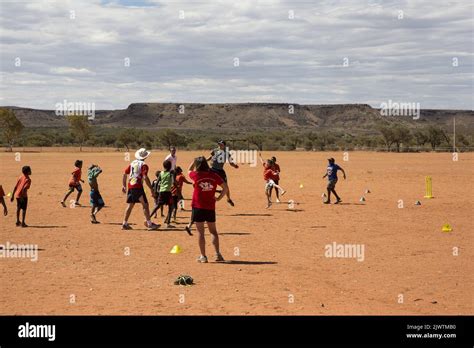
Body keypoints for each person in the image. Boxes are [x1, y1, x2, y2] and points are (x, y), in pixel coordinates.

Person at [188, 156, 228, 263]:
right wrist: (218, 198)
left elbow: (189, 170)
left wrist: (194, 161)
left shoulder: (195, 175)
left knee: (201, 233)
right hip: (210, 206)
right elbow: (225, 187)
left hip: (198, 206)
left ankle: (203, 256)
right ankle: (217, 254)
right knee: (213, 231)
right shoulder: (214, 175)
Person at [122, 148, 159, 230]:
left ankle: (124, 223)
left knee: (130, 205)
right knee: (145, 205)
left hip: (130, 186)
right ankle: (149, 224)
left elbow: (125, 174)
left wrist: (124, 185)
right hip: (137, 186)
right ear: (145, 156)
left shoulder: (132, 163)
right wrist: (151, 189)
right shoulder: (144, 165)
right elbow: (145, 177)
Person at [207, 140, 238, 207]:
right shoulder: (215, 150)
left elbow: (231, 163)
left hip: (220, 171)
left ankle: (228, 199)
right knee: (208, 182)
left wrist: (234, 165)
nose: (219, 145)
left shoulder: (227, 153)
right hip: (212, 169)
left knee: (226, 186)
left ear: (224, 145)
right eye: (219, 144)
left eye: (221, 144)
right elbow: (210, 157)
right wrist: (205, 160)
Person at [150, 160, 174, 228]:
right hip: (168, 192)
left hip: (161, 192)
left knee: (157, 206)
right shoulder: (170, 173)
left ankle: (148, 218)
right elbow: (173, 181)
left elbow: (157, 182)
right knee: (171, 207)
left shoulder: (161, 173)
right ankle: (168, 223)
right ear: (170, 166)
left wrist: (155, 191)